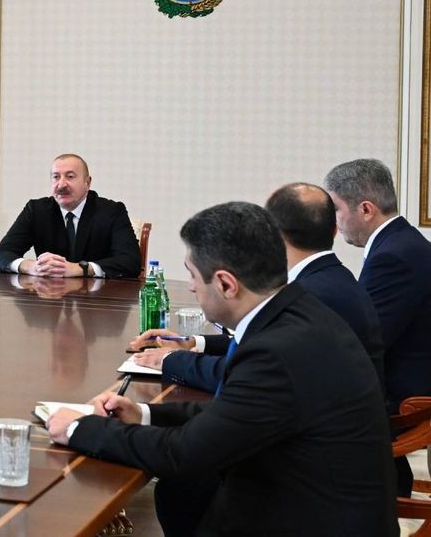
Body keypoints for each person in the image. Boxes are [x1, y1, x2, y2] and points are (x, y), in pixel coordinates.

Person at [46, 202, 396, 536]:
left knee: (184, 484)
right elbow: (232, 412)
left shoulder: (275, 352)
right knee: (183, 492)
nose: (191, 286)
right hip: (321, 504)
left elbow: (182, 454)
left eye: (192, 275)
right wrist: (144, 413)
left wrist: (79, 428)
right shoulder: (297, 312)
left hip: (312, 520)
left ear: (227, 284)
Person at [131, 182, 384, 392]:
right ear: (334, 230)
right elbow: (255, 343)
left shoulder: (313, 294)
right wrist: (193, 343)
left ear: (273, 235)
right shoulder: (329, 278)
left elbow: (245, 374)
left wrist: (173, 361)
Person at [324, 158, 431, 495]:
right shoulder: (400, 243)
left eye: (336, 209)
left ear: (366, 209)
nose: (334, 222)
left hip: (403, 393)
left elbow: (367, 339)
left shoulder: (394, 255)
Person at [0, 154, 140, 278]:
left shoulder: (112, 211)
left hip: (97, 298)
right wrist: (31, 267)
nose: (61, 185)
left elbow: (131, 262)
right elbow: (0, 255)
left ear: (87, 183)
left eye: (70, 176)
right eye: (56, 177)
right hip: (48, 299)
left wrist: (81, 269)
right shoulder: (36, 210)